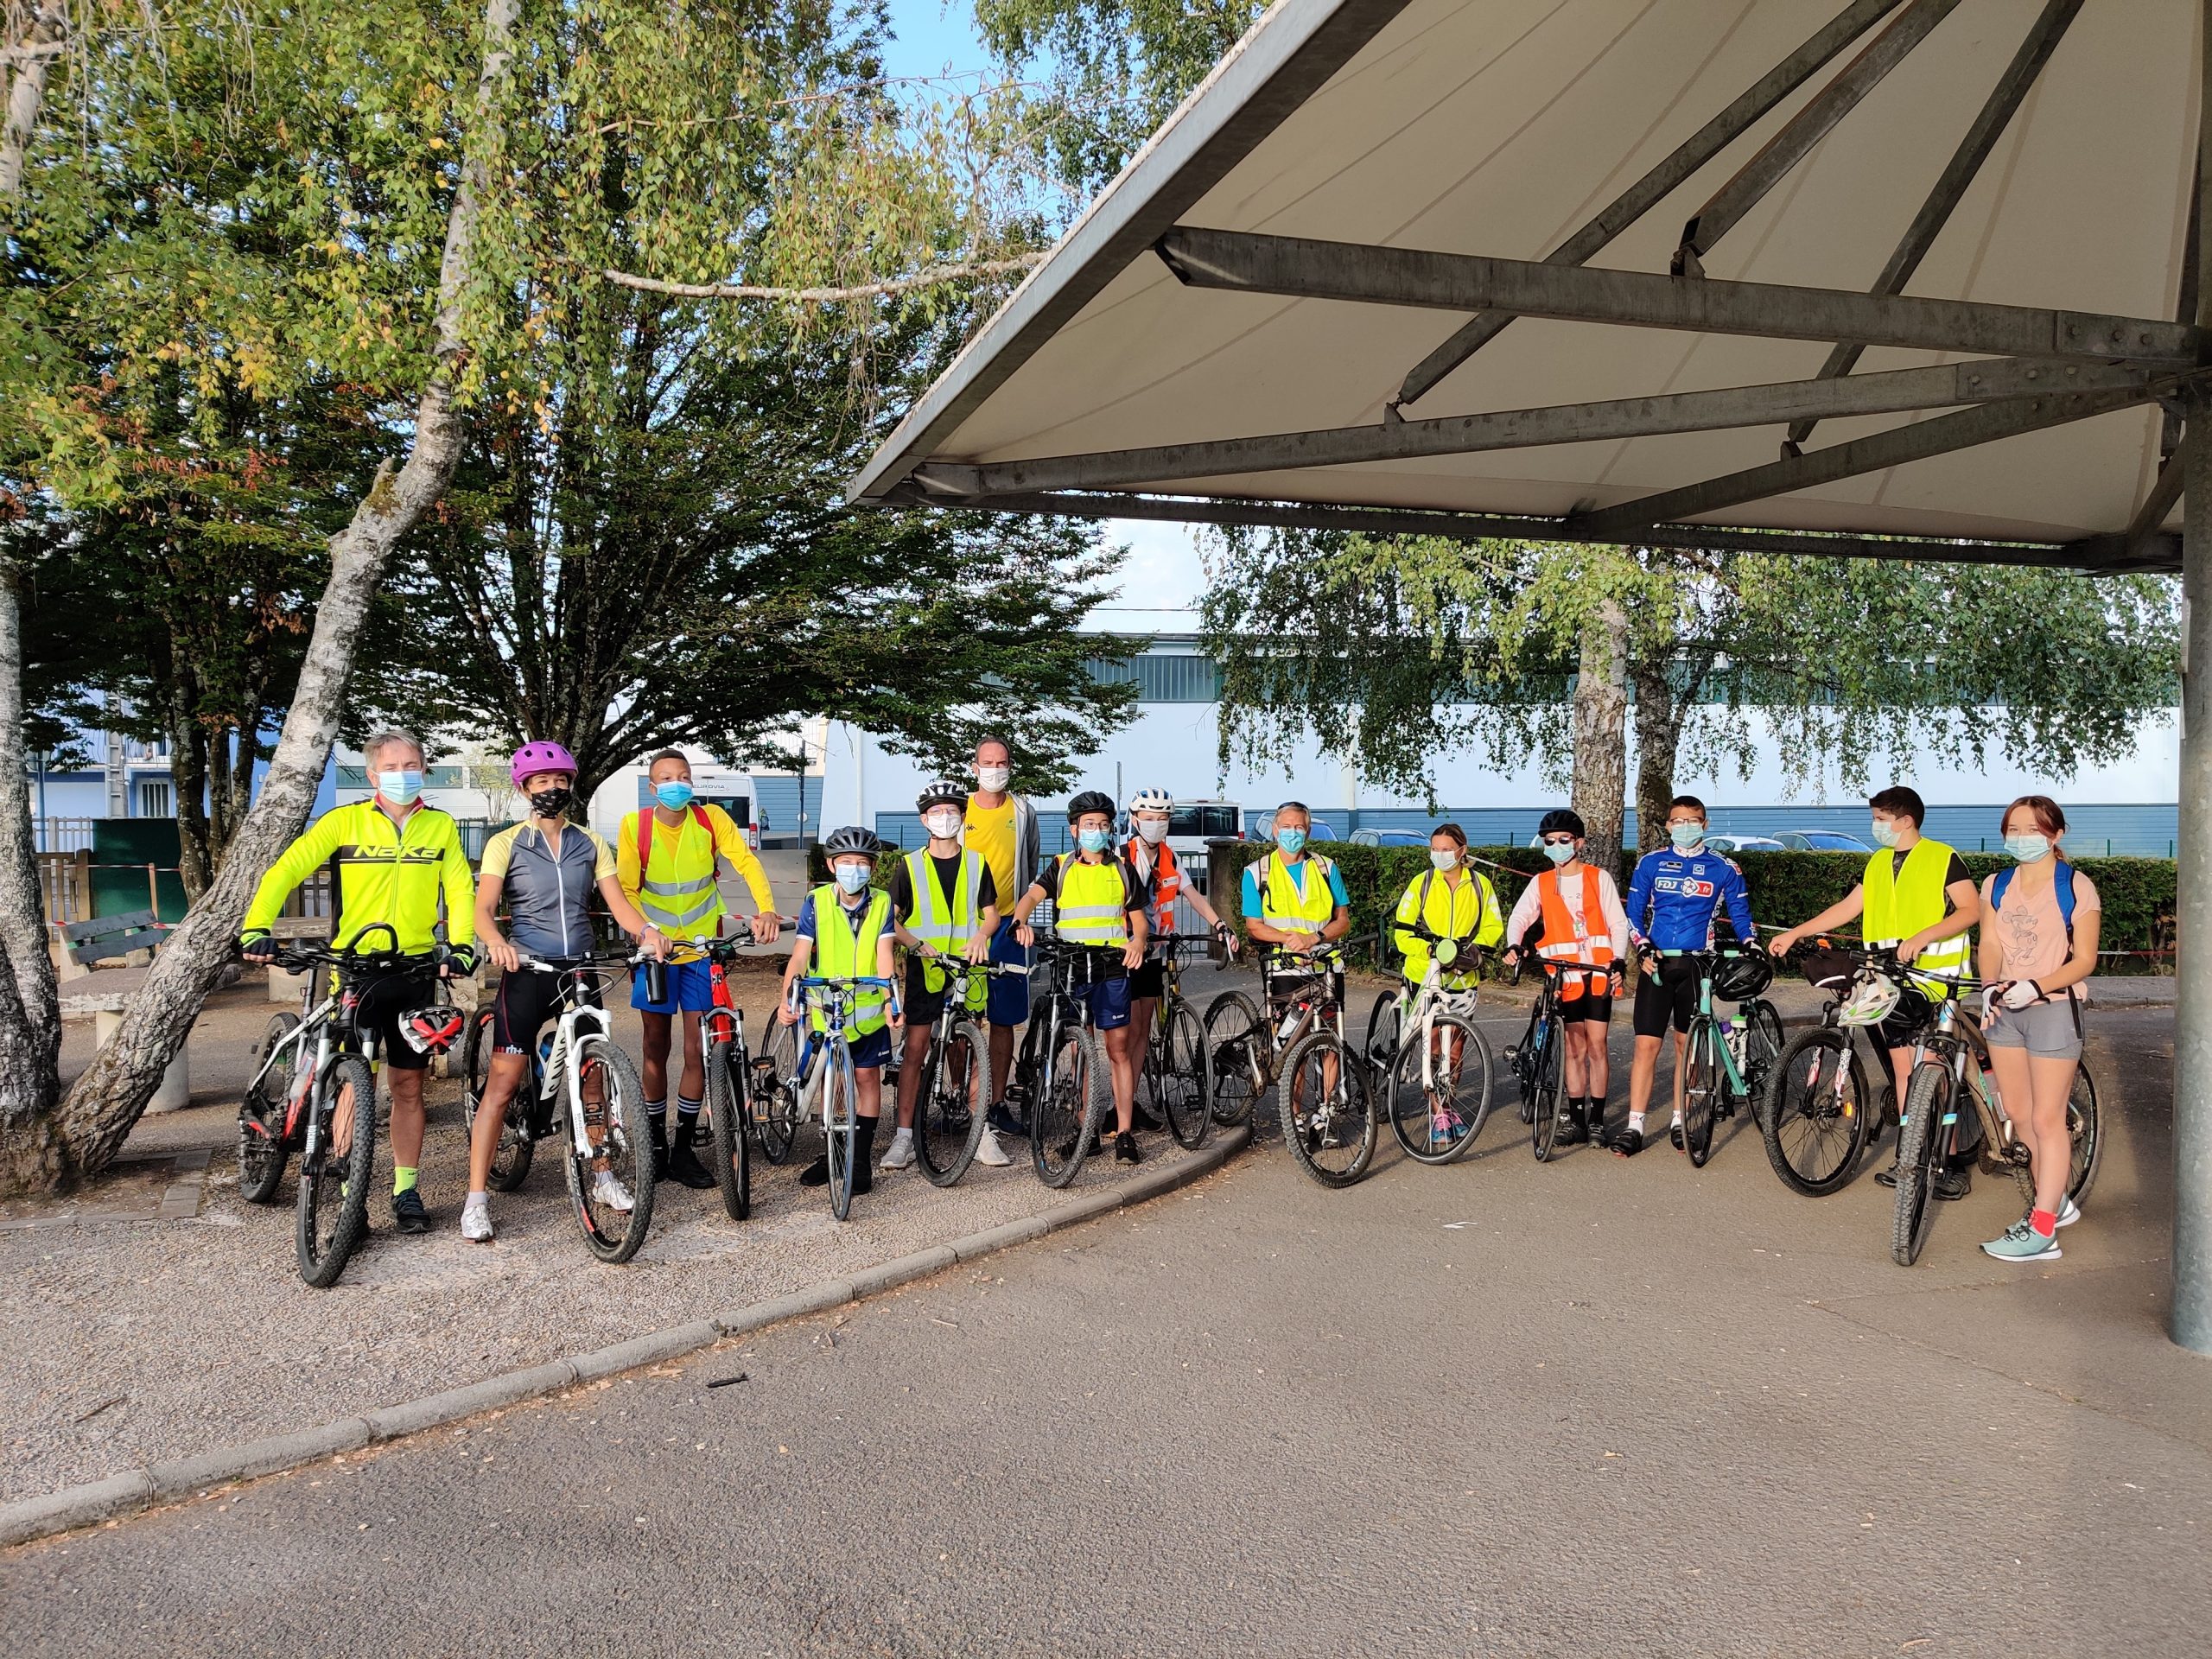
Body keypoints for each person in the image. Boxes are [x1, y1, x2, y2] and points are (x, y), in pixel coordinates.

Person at [239, 728, 476, 1236]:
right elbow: (285, 871)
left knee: (409, 1085)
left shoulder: (440, 826)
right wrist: (256, 928)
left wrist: (461, 945)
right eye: (391, 767)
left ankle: (406, 1190)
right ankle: (351, 1195)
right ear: (372, 775)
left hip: (414, 972)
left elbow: (459, 889)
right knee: (353, 1081)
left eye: (411, 765)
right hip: (354, 969)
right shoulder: (343, 821)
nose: (402, 774)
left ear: (424, 770)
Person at [461, 742, 669, 1243]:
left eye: (560, 780)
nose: (552, 788)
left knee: (593, 1076)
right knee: (503, 1084)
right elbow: (483, 909)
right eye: (541, 781)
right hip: (527, 969)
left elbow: (618, 904)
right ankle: (476, 1199)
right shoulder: (506, 843)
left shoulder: (590, 842)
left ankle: (602, 1174)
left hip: (579, 968)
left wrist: (647, 931)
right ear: (525, 789)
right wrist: (496, 942)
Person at [1769, 785, 1981, 1199]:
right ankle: (1912, 1158)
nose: (1875, 826)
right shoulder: (1878, 862)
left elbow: (1971, 910)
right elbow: (1848, 908)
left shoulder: (1943, 858)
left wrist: (1924, 936)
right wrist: (1796, 932)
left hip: (1935, 979)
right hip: (1889, 976)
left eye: (1881, 819)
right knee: (1904, 1071)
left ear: (1906, 820)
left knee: (1932, 1072)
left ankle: (1952, 1162)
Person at [616, 750, 781, 1191]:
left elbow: (746, 862)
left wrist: (765, 908)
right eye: (667, 778)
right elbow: (626, 889)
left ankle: (683, 1148)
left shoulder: (711, 819)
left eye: (684, 776)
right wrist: (647, 933)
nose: (677, 784)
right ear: (652, 787)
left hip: (701, 953)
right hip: (654, 954)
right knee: (655, 1046)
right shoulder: (635, 826)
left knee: (698, 1051)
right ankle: (654, 1144)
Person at [1975, 796, 2101, 1262]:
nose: (2021, 838)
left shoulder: (2076, 886)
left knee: (2048, 1119)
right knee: (2019, 1113)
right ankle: (2055, 1203)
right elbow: (1989, 942)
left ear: (2055, 834)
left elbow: (2085, 959)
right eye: (2014, 829)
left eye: (2033, 830)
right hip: (2004, 1009)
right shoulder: (1996, 884)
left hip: (2053, 1008)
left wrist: (2037, 985)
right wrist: (1989, 986)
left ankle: (2043, 1229)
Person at [1010, 791, 1150, 1164]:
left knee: (1118, 1049)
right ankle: (1086, 1131)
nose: (1096, 831)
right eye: (1089, 824)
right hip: (1071, 966)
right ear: (1074, 829)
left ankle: (1124, 1132)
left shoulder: (1122, 869)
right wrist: (1020, 922)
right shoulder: (1061, 866)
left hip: (1111, 966)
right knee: (1079, 1050)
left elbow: (1139, 921)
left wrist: (1138, 941)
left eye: (1103, 825)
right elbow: (1030, 897)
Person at [1613, 796, 1756, 1157]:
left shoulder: (1725, 868)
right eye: (1678, 821)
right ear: (1668, 825)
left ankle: (1680, 1119)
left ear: (1705, 824)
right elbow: (1634, 915)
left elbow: (1741, 915)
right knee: (1646, 1046)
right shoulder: (1650, 863)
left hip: (1697, 966)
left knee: (1685, 1046)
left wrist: (1751, 943)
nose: (1685, 827)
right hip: (1658, 964)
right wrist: (1642, 947)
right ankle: (1634, 1125)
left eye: (1693, 821)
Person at [884, 780, 1008, 1172]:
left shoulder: (976, 862)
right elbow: (890, 918)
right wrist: (915, 943)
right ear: (924, 820)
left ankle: (980, 1132)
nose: (945, 817)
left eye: (952, 811)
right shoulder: (909, 865)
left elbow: (992, 914)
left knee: (969, 1048)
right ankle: (903, 1137)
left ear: (963, 816)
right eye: (936, 812)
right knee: (916, 1049)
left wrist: (982, 936)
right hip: (927, 968)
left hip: (967, 968)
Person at [779, 826, 901, 1192]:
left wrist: (891, 1000)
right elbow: (800, 955)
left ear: (873, 867)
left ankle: (859, 1160)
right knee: (831, 1084)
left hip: (867, 1013)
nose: (854, 869)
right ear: (832, 865)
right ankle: (832, 1152)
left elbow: (884, 955)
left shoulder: (881, 902)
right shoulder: (816, 902)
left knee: (867, 1080)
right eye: (846, 861)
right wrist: (787, 998)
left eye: (862, 863)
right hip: (826, 1009)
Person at [1502, 809, 1628, 1146]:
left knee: (1597, 1046)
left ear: (1579, 843)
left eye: (1563, 840)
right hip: (1565, 977)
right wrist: (1514, 943)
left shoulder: (1598, 878)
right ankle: (1576, 1120)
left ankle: (1597, 1120)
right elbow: (1520, 916)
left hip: (1598, 974)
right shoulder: (1541, 882)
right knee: (1574, 1049)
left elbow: (1618, 923)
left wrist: (1618, 961)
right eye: (1549, 841)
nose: (1556, 846)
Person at [1123, 786, 1236, 1133]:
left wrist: (1219, 925)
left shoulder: (1170, 858)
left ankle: (1132, 1102)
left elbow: (1193, 896)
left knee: (1143, 1028)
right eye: (1149, 818)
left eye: (1162, 818)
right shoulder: (1121, 857)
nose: (1156, 824)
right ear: (1135, 820)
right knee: (1129, 1031)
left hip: (1157, 951)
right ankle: (1120, 1106)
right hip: (1128, 952)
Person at [1389, 823, 1503, 1144]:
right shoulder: (1422, 883)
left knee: (1456, 1049)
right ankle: (1438, 1113)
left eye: (1446, 849)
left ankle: (1447, 1106)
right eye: (1434, 849)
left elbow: (1493, 926)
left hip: (1463, 977)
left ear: (1462, 851)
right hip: (1424, 974)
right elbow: (1402, 930)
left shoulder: (1480, 885)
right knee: (1435, 1044)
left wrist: (1471, 951)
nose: (1439, 855)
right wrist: (1427, 950)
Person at [963, 736, 1041, 1141]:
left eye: (1002, 763)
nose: (995, 770)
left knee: (1003, 1019)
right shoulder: (959, 811)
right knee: (963, 1017)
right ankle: (962, 1102)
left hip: (1009, 926)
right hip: (966, 928)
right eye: (987, 763)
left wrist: (1020, 916)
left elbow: (1030, 864)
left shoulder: (1023, 811)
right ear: (974, 767)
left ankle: (995, 1103)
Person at [1241, 800, 1352, 1040]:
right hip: (1283, 966)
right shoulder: (1256, 872)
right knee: (1291, 1042)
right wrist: (1291, 940)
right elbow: (1254, 926)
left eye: (1299, 827)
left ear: (1308, 832)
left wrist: (1313, 938)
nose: (1293, 832)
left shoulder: (1326, 868)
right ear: (1275, 830)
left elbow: (1343, 920)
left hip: (1325, 964)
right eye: (1286, 826)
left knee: (1331, 1038)